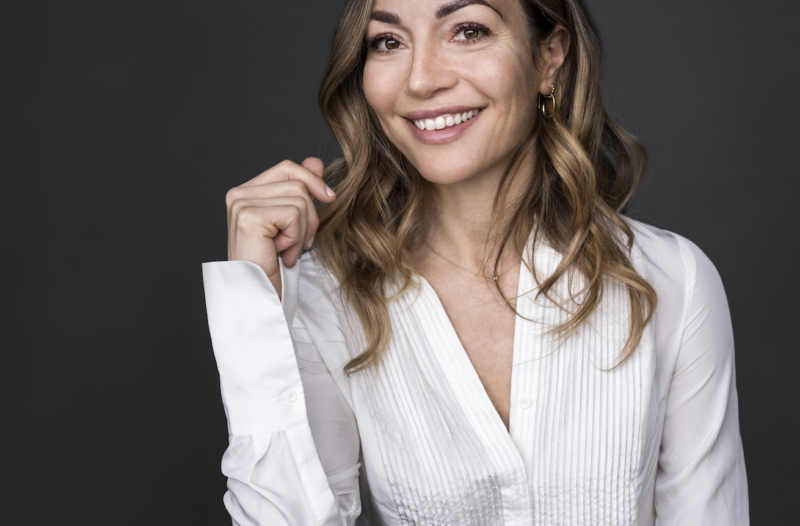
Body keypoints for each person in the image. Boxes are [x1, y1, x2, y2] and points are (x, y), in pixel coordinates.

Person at [202, 0, 749, 524]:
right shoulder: (323, 299)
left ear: (549, 55)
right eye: (388, 41)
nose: (421, 80)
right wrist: (254, 309)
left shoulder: (670, 281)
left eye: (467, 31)